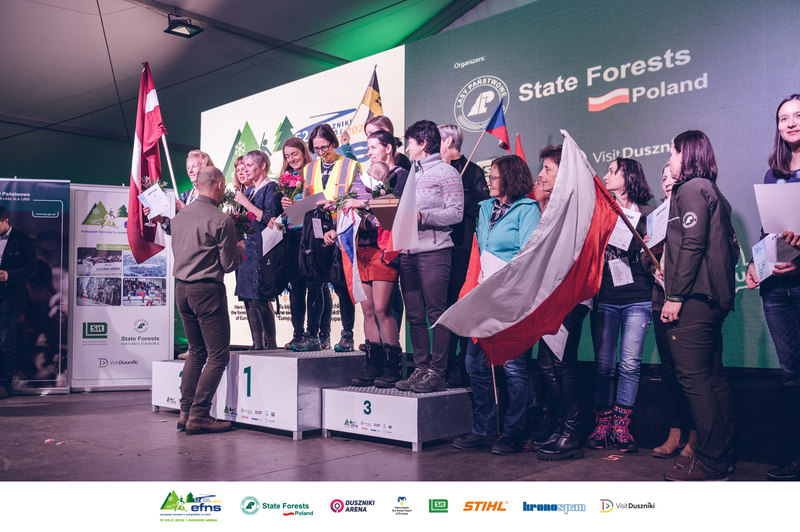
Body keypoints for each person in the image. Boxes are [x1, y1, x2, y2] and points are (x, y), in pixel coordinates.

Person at [661, 130, 738, 481]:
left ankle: (710, 462)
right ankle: (724, 457)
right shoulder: (714, 192)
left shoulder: (692, 189)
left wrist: (675, 295)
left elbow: (692, 244)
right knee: (713, 380)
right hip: (713, 299)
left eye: (673, 153)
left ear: (686, 154)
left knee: (694, 380)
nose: (670, 160)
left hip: (694, 298)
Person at [451, 155, 539, 454]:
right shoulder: (485, 207)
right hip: (483, 296)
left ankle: (514, 433)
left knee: (514, 367)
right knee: (474, 364)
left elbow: (528, 254)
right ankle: (484, 430)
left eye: (494, 177)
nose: (489, 181)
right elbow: (479, 252)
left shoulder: (528, 209)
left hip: (512, 299)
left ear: (510, 178)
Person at [745, 94, 800, 480]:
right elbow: (769, 231)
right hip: (777, 290)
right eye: (784, 118)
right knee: (792, 375)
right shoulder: (773, 174)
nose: (791, 123)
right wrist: (756, 263)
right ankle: (796, 459)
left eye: (798, 115)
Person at [587, 157, 654, 454]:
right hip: (606, 297)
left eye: (613, 171)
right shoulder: (600, 211)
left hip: (638, 297)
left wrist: (652, 244)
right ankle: (602, 424)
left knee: (629, 364)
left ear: (628, 177)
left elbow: (656, 257)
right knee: (604, 366)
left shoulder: (648, 213)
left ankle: (621, 426)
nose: (606, 176)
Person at [529, 145, 592, 461]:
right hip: (548, 296)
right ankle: (559, 426)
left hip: (570, 295)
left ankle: (572, 433)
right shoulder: (551, 207)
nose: (540, 175)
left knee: (562, 363)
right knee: (546, 363)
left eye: (548, 169)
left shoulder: (575, 207)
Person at [171, 166, 244, 434]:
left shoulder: (179, 217)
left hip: (182, 290)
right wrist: (240, 248)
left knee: (196, 352)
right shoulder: (221, 220)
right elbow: (228, 264)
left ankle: (185, 412)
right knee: (217, 356)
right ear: (220, 185)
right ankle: (200, 415)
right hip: (207, 291)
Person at [394, 120, 463, 393]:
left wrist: (423, 217)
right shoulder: (413, 173)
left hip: (434, 251)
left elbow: (456, 213)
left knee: (437, 314)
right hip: (408, 251)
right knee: (414, 315)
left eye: (410, 143)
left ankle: (437, 371)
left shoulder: (447, 172)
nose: (407, 148)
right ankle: (420, 368)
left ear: (423, 143)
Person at [288, 124, 361, 352]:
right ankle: (313, 336)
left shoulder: (351, 166)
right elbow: (308, 199)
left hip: (342, 229)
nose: (321, 152)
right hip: (316, 230)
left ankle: (347, 335)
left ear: (334, 143)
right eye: (317, 149)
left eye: (325, 147)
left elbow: (358, 198)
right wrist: (293, 207)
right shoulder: (309, 168)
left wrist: (336, 206)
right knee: (314, 282)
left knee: (341, 284)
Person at [343, 161, 404, 387]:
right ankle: (373, 366)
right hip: (360, 251)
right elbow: (346, 211)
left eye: (373, 147)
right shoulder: (355, 187)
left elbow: (390, 212)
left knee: (381, 309)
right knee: (367, 310)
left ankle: (392, 368)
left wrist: (364, 205)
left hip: (382, 250)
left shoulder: (392, 186)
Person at [439, 123, 490, 387]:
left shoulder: (473, 171)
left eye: (437, 140)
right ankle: (441, 366)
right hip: (437, 249)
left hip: (462, 249)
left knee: (459, 306)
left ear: (448, 141)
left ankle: (461, 368)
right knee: (440, 309)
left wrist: (459, 199)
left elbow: (484, 207)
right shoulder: (433, 171)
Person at [651, 163, 696, 460]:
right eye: (663, 178)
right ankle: (676, 430)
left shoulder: (694, 208)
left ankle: (697, 435)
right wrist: (654, 268)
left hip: (689, 302)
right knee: (668, 371)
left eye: (673, 176)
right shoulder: (657, 215)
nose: (667, 181)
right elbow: (647, 255)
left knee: (691, 373)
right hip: (660, 298)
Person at [234, 150, 283, 350]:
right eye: (243, 166)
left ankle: (270, 345)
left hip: (264, 249)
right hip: (247, 250)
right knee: (248, 298)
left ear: (262, 166)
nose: (245, 170)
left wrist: (246, 204)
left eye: (249, 165)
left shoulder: (272, 188)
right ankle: (257, 344)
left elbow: (272, 221)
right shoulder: (248, 191)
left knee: (260, 297)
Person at [278, 138, 318, 349]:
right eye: (287, 156)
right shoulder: (286, 179)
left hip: (311, 233)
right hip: (293, 235)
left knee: (315, 285)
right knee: (297, 287)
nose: (291, 159)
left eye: (294, 154)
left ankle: (316, 334)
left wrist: (302, 203)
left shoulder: (315, 173)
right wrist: (284, 206)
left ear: (304, 152)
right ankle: (297, 334)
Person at [0, 205, 37, 399]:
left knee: (5, 342)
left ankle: (3, 385)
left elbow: (32, 268)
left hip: (9, 297)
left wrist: (8, 275)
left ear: (6, 221)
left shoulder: (23, 240)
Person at [341, 115, 412, 172]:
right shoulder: (375, 163)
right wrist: (346, 147)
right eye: (367, 135)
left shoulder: (401, 161)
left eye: (372, 133)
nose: (368, 138)